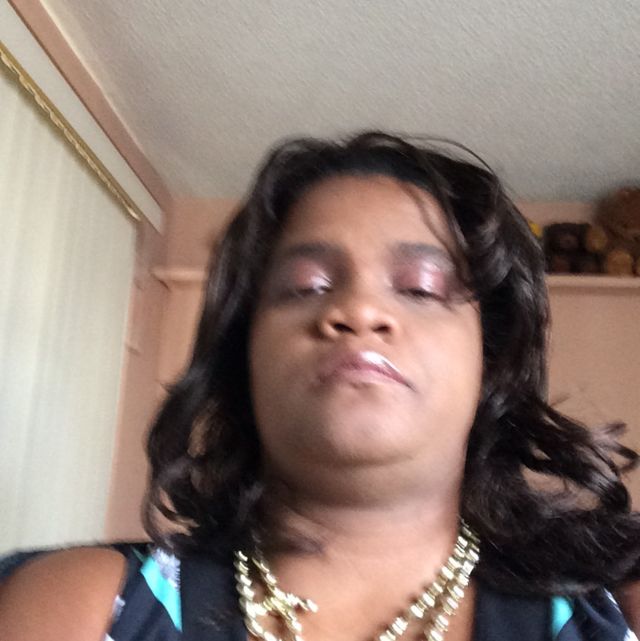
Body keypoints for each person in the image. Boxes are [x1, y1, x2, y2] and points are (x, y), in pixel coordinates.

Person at [1, 131, 640, 641]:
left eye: (420, 289)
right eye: (306, 286)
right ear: (244, 354)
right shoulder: (82, 608)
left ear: (490, 362)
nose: (359, 310)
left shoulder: (618, 609)